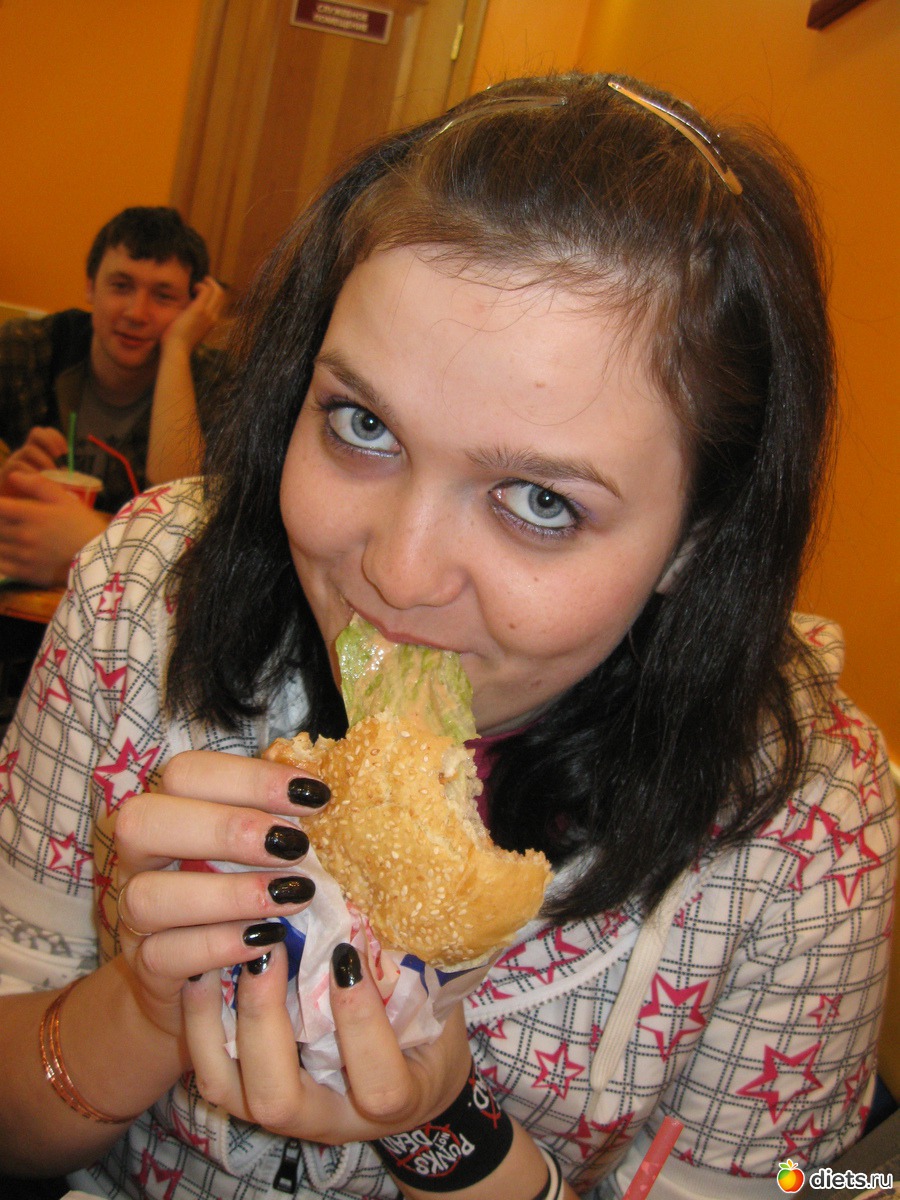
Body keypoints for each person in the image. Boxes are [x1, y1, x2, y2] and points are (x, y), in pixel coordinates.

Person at [0, 71, 895, 1200]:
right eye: (361, 423)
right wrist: (139, 1007)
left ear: (696, 538)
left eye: (542, 501)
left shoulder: (814, 830)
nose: (397, 573)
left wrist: (441, 1129)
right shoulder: (144, 593)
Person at [0, 206, 227, 586]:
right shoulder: (27, 349)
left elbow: (181, 507)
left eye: (163, 296)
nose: (136, 313)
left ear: (194, 306)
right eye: (121, 286)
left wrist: (176, 349)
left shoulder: (215, 381)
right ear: (91, 286)